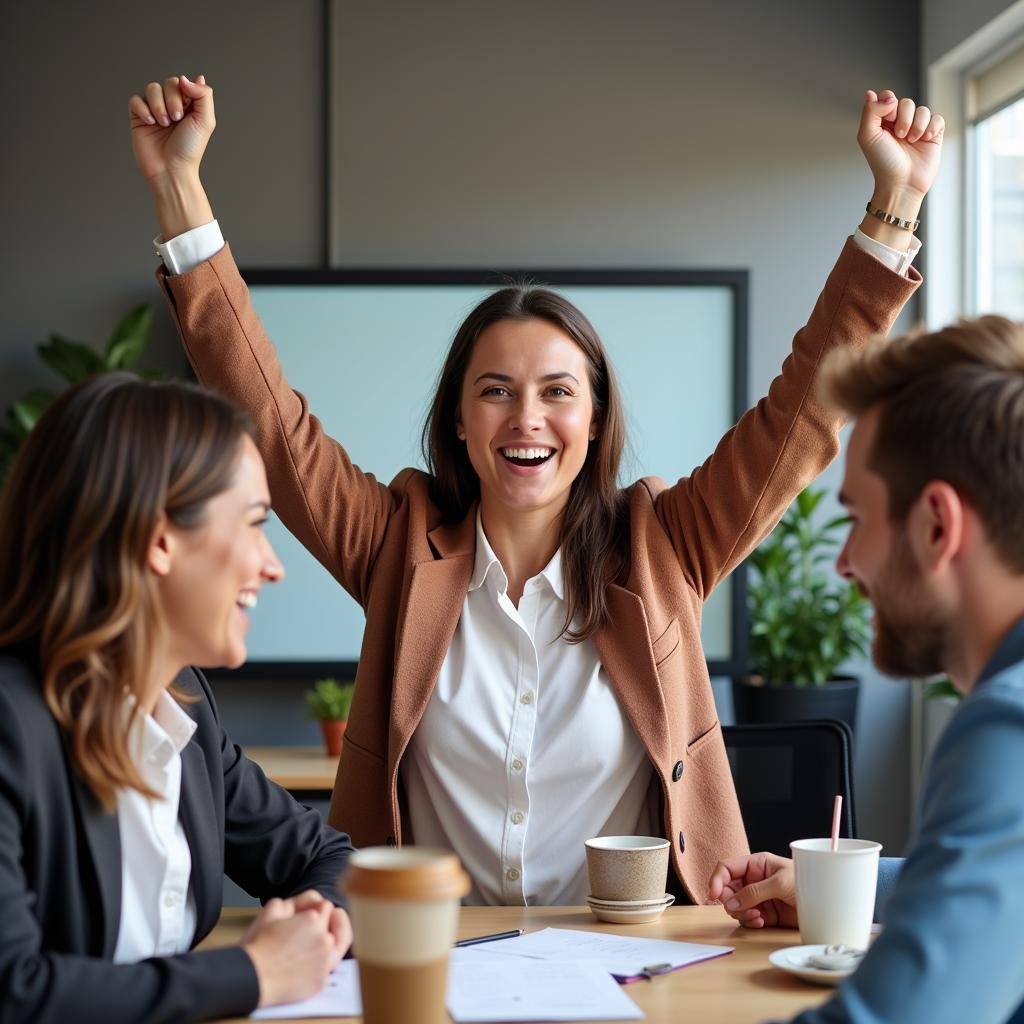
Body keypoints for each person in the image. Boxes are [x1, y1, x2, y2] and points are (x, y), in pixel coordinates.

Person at [128, 73, 942, 906]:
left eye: (558, 392)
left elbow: (800, 415)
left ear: (595, 423)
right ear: (456, 419)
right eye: (495, 391)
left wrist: (896, 202)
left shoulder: (666, 545)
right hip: (434, 957)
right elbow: (268, 419)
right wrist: (179, 185)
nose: (527, 419)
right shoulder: (394, 546)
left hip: (637, 960)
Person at [0, 374, 355, 1023]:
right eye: (254, 524)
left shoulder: (183, 710)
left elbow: (326, 856)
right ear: (159, 539)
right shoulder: (11, 725)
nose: (272, 565)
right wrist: (253, 972)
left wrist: (316, 924)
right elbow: (13, 990)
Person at [708, 315, 1024, 1023]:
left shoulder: (1010, 729)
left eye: (857, 518)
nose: (846, 562)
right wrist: (838, 887)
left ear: (937, 527)